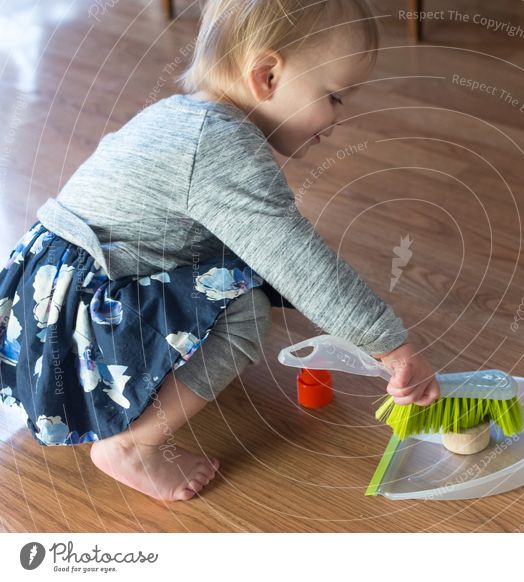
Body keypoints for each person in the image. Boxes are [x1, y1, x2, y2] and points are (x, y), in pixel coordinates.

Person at [0, 0, 440, 502]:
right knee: (246, 310)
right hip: (74, 321)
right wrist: (390, 346)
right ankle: (130, 446)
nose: (341, 118)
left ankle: (164, 377)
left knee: (245, 265)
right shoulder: (222, 145)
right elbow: (298, 262)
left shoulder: (180, 117)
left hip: (40, 297)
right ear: (267, 76)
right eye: (335, 97)